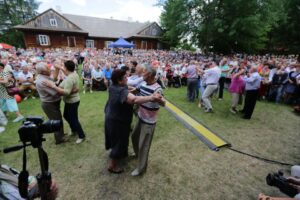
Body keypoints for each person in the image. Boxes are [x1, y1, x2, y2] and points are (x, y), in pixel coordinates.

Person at [104, 68, 163, 173]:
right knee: (119, 141)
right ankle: (112, 165)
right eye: (125, 77)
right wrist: (151, 97)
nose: (128, 78)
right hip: (118, 121)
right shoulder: (121, 90)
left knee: (120, 139)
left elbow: (162, 101)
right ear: (119, 80)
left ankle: (124, 158)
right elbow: (133, 99)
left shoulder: (114, 86)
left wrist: (134, 89)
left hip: (113, 117)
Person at [131, 65, 166, 176]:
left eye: (144, 73)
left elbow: (164, 103)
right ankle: (138, 154)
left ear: (150, 75)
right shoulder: (143, 83)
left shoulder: (157, 88)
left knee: (144, 145)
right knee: (134, 137)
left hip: (149, 122)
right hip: (140, 116)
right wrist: (131, 90)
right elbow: (137, 90)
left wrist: (159, 100)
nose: (142, 74)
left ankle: (141, 169)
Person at [43, 60, 86, 144]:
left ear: (66, 68)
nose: (63, 68)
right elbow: (65, 70)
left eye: (63, 67)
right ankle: (74, 130)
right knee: (66, 116)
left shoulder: (70, 78)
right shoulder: (74, 73)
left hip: (72, 102)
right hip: (70, 101)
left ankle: (81, 135)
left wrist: (53, 86)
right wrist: (59, 67)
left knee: (74, 119)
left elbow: (66, 92)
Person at [35, 62, 66, 144]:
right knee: (56, 121)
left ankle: (61, 135)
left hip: (53, 103)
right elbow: (56, 93)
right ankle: (59, 139)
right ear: (44, 72)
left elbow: (54, 79)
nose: (50, 69)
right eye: (48, 68)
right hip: (49, 104)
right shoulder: (42, 81)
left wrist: (57, 69)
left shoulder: (45, 76)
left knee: (58, 119)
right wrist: (67, 90)